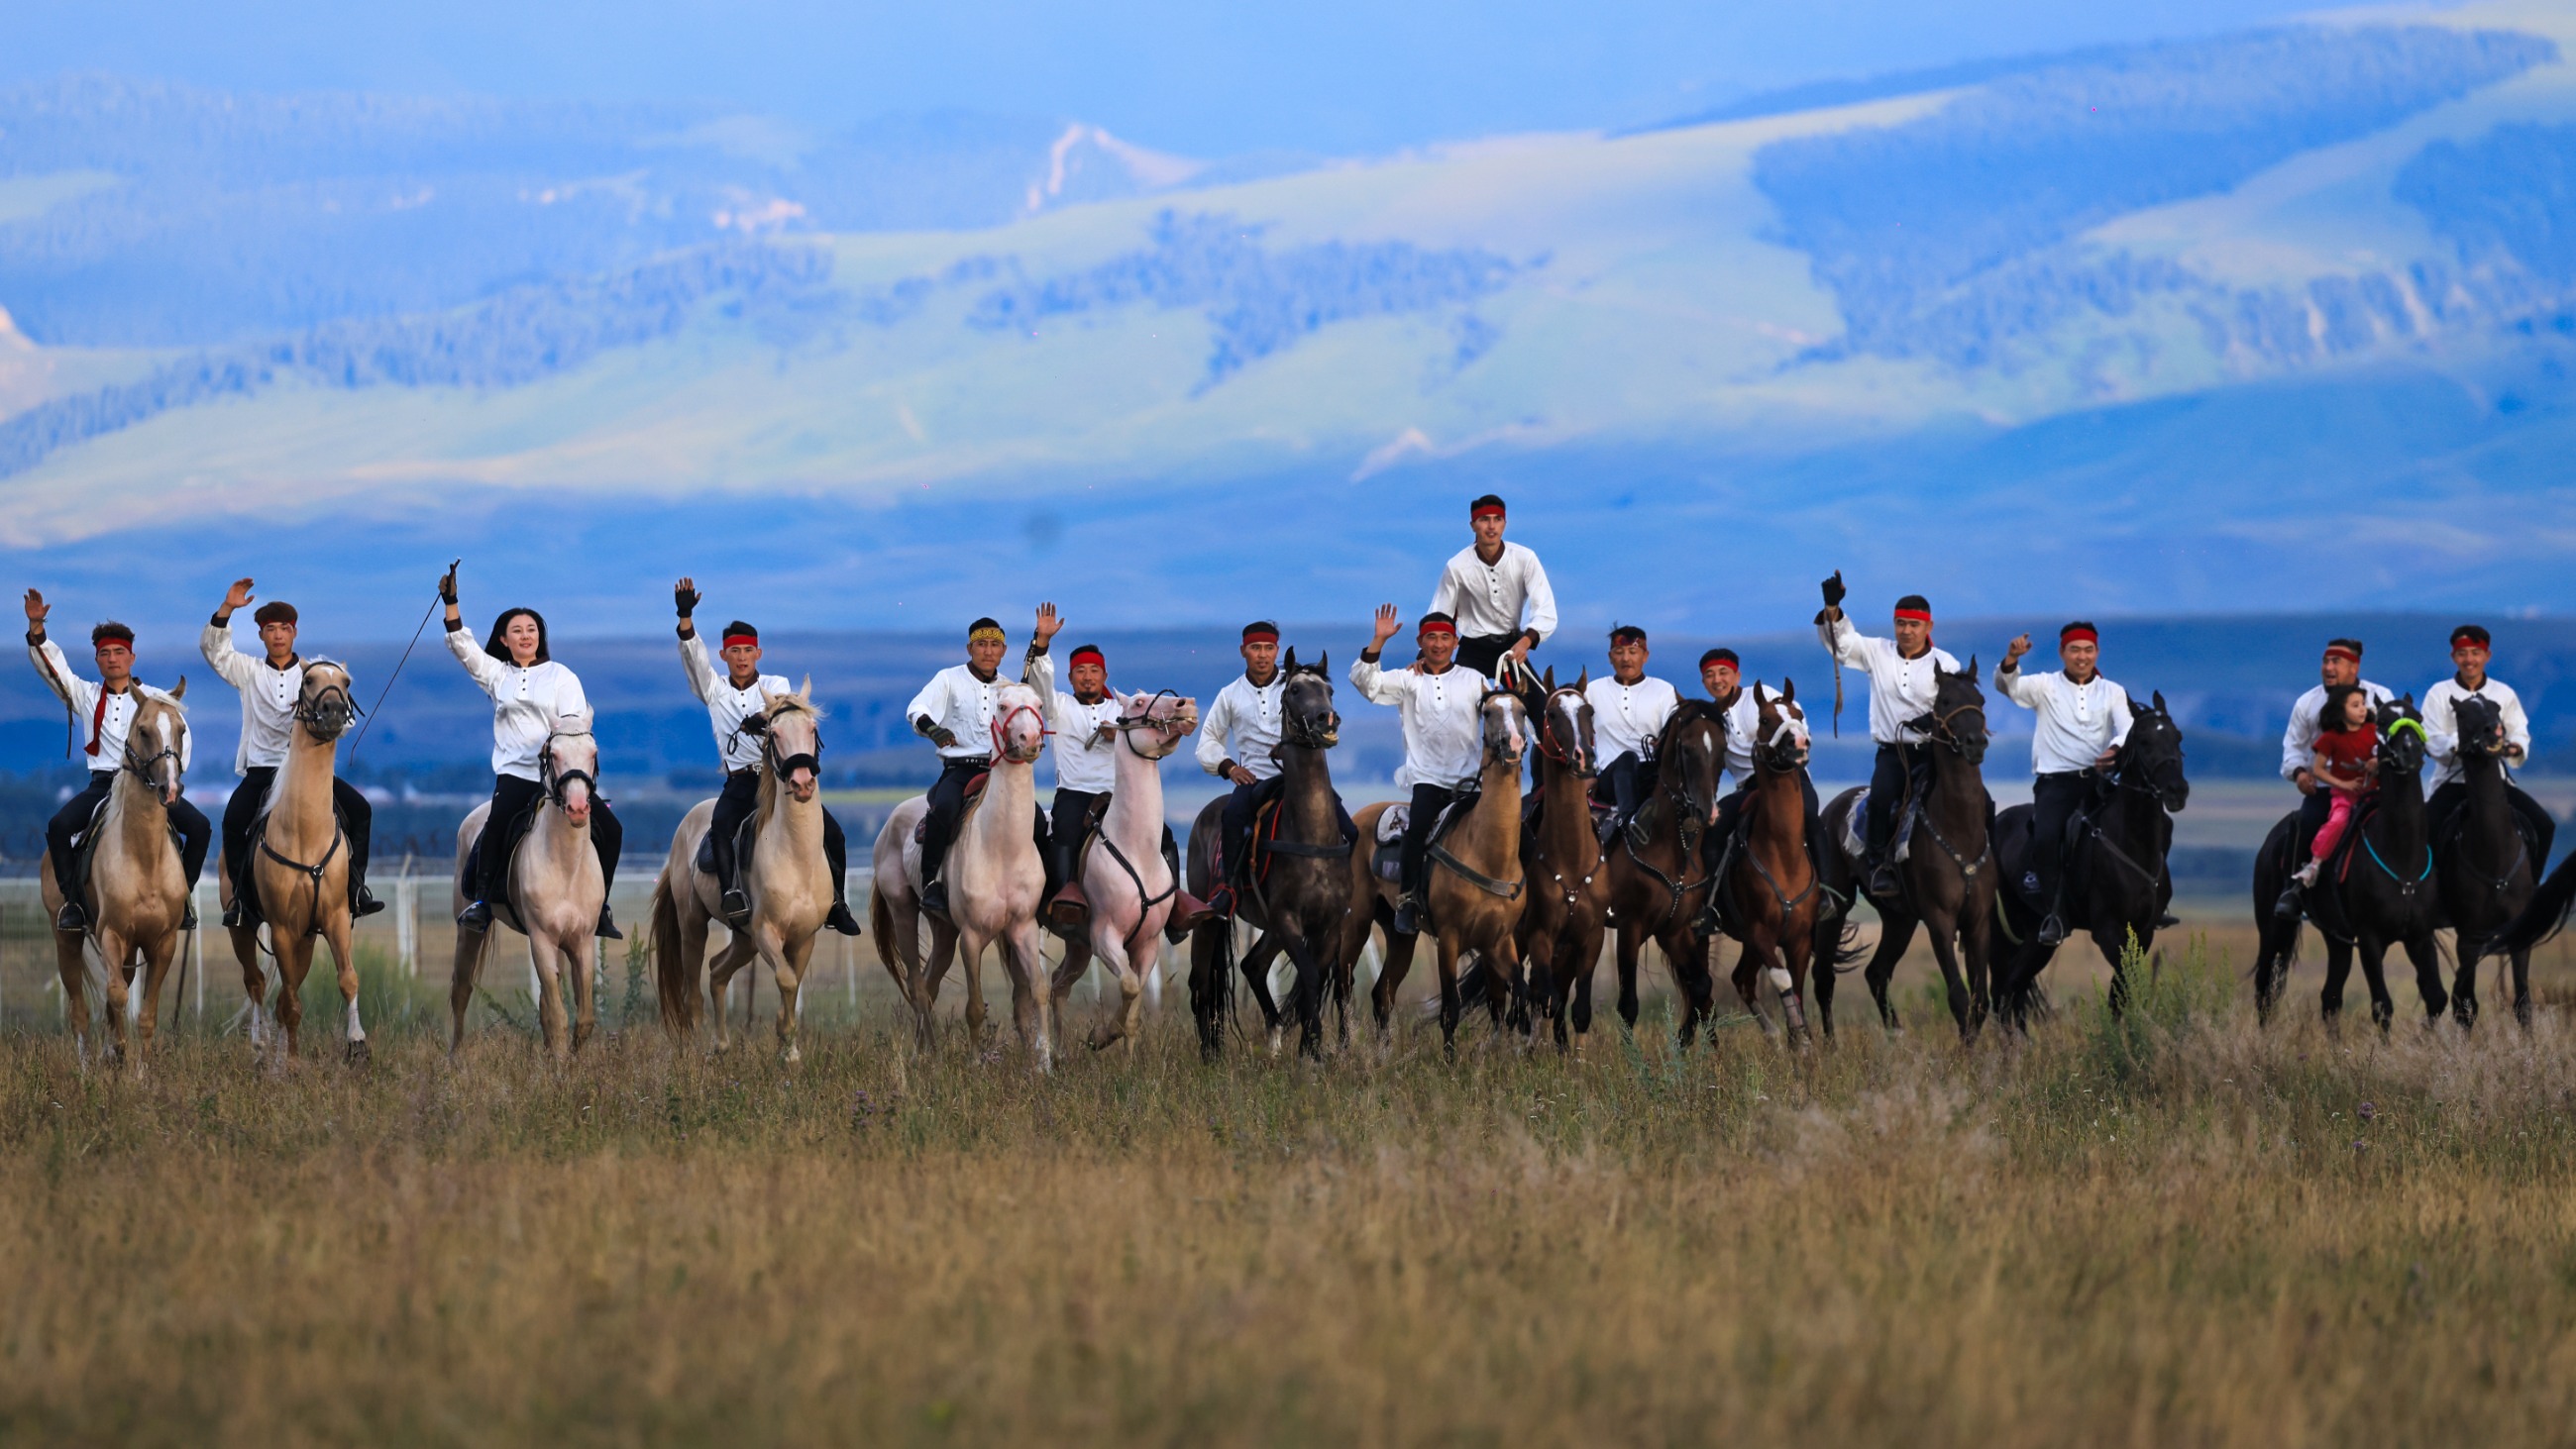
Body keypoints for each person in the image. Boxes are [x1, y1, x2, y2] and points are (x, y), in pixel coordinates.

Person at [441, 567, 624, 938]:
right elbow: (464, 649)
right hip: (516, 774)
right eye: (517, 631)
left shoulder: (562, 677)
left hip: (561, 778)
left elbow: (575, 725)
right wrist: (451, 603)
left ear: (540, 636)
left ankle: (600, 907)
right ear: (504, 640)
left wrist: (556, 750)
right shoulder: (497, 675)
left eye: (531, 630)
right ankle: (482, 903)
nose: (526, 636)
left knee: (612, 829)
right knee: (495, 826)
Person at [670, 579, 861, 936]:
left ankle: (837, 903)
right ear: (723, 656)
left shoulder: (777, 683)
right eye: (734, 651)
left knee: (834, 833)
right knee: (721, 825)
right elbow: (695, 662)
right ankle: (731, 893)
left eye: (748, 650)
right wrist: (685, 619)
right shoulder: (714, 689)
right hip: (742, 780)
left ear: (758, 653)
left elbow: (785, 708)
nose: (741, 657)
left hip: (778, 778)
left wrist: (762, 718)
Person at [1021, 607, 1214, 939]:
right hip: (1075, 793)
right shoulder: (1058, 706)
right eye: (1080, 671)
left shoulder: (1123, 709)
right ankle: (1067, 894)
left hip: (1118, 796)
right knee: (1065, 831)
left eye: (1094, 670)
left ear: (1105, 675)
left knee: (1164, 835)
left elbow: (1157, 727)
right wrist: (1042, 644)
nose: (1087, 677)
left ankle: (1173, 902)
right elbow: (1039, 684)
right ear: (1070, 677)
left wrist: (1175, 727)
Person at [25, 591, 210, 931]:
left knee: (200, 827)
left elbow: (180, 737)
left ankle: (181, 898)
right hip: (102, 786)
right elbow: (54, 671)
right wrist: (37, 628)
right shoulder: (86, 694)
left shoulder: (156, 699)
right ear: (97, 660)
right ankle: (73, 903)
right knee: (59, 826)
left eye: (119, 652)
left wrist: (169, 777)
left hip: (147, 787)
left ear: (132, 657)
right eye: (105, 653)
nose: (112, 659)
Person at [201, 578, 380, 926]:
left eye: (284, 628)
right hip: (263, 771)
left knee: (361, 811)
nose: (278, 635)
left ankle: (355, 890)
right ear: (261, 636)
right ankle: (240, 901)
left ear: (295, 633)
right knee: (233, 820)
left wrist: (327, 719)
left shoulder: (315, 675)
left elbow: (343, 722)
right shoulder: (249, 671)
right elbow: (213, 651)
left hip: (309, 774)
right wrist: (227, 608)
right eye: (270, 629)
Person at [1816, 572, 1962, 897]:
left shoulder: (1946, 663)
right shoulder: (1877, 651)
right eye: (1900, 623)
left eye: (1914, 624)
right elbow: (1842, 645)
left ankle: (1984, 863)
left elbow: (1958, 704)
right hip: (1893, 754)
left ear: (1928, 626)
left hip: (1935, 752)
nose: (1906, 631)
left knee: (1975, 799)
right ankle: (1878, 865)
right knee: (1881, 800)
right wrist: (1832, 608)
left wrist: (1934, 720)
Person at [1351, 606, 1495, 933]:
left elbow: (1498, 709)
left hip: (1471, 784)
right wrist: (1379, 640)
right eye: (1431, 637)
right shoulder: (1407, 680)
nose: (1438, 644)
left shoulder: (1474, 680)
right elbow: (1365, 683)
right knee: (1415, 832)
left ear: (1456, 643)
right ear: (1420, 642)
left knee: (1513, 834)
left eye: (1445, 637)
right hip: (1428, 781)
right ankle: (1407, 901)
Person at [1995, 621, 2133, 947]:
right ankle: (2055, 914)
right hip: (2055, 784)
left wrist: (2115, 749)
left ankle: (2154, 898)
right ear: (2062, 652)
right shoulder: (2044, 685)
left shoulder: (2112, 691)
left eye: (2088, 650)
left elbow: (2128, 727)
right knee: (2046, 837)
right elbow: (2008, 687)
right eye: (2075, 650)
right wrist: (2012, 659)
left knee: (2147, 823)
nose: (2081, 656)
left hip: (2100, 783)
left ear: (2097, 652)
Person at [907, 611, 1048, 921]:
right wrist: (934, 729)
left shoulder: (1010, 689)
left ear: (1004, 651)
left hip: (1001, 772)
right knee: (944, 810)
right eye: (981, 644)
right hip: (960, 769)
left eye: (994, 645)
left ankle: (1044, 891)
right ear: (969, 648)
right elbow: (917, 708)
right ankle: (930, 883)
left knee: (1038, 821)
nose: (988, 651)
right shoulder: (948, 678)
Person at [1693, 647, 1827, 935]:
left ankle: (1827, 893)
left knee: (1810, 818)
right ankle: (1710, 906)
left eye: (1723, 672)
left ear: (1737, 675)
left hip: (1788, 778)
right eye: (1709, 675)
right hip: (1749, 787)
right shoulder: (1709, 720)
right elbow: (1710, 766)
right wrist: (1710, 802)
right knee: (1714, 832)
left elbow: (1796, 725)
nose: (1717, 680)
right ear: (1703, 681)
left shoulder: (1764, 696)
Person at [2422, 623, 2554, 864]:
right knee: (2426, 828)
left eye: (2475, 653)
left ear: (2487, 655)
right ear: (2453, 657)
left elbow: (2519, 731)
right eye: (2462, 653)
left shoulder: (2503, 693)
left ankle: (2532, 883)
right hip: (2453, 782)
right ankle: (2433, 883)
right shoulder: (2438, 693)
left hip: (2495, 782)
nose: (2469, 660)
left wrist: (2514, 746)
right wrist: (2464, 743)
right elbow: (2431, 738)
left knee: (2544, 825)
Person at [1195, 621, 1289, 918]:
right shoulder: (1230, 694)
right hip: (1254, 781)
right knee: (1233, 817)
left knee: (1345, 826)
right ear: (1243, 651)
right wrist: (1229, 767)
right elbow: (1207, 741)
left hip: (1295, 779)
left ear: (1277, 651)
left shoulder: (1294, 685)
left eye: (1269, 648)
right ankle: (1230, 890)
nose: (1262, 655)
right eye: (1255, 648)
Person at [2280, 638, 2394, 861]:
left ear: (2354, 667)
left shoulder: (2380, 697)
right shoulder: (2307, 702)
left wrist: (2378, 758)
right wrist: (2299, 773)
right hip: (2326, 788)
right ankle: (2297, 879)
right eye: (2325, 661)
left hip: (2374, 786)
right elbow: (2293, 748)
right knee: (2307, 823)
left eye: (2336, 661)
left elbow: (2390, 739)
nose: (2328, 667)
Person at [1428, 494, 1557, 679]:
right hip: (1472, 649)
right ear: (1473, 525)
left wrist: (1526, 640)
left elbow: (1545, 608)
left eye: (1497, 519)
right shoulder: (1457, 565)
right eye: (1484, 519)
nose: (1491, 526)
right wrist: (1425, 655)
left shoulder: (1525, 558)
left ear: (1505, 523)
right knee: (1453, 696)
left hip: (1511, 648)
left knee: (1539, 698)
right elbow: (1441, 613)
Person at [2282, 683, 2379, 907]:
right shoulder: (2330, 738)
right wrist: (2343, 784)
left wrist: (2376, 760)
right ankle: (2313, 866)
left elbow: (2385, 749)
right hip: (2344, 794)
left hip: (2373, 793)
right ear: (2340, 710)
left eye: (2363, 704)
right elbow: (2317, 769)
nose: (2362, 709)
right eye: (2355, 705)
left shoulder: (2374, 731)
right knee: (2336, 821)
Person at [1583, 625, 1677, 845]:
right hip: (1610, 778)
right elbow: (1578, 734)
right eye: (1619, 652)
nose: (1626, 658)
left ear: (1645, 656)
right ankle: (1630, 822)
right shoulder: (1593, 691)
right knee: (1627, 759)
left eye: (1633, 652)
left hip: (1651, 774)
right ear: (1610, 657)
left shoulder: (1663, 691)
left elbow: (1673, 733)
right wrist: (1586, 773)